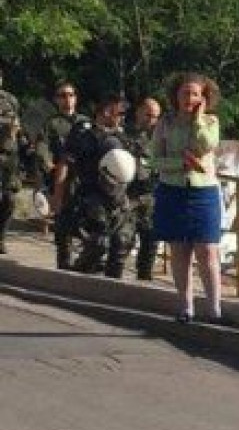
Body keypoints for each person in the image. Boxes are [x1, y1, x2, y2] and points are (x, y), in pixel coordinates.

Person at [152, 73, 223, 323]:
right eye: (185, 93)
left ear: (204, 98)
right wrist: (179, 163)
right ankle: (186, 307)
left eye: (195, 94)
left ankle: (214, 309)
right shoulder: (165, 123)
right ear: (176, 95)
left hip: (204, 192)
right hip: (172, 190)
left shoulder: (211, 122)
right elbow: (154, 160)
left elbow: (207, 146)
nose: (189, 98)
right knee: (180, 250)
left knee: (207, 250)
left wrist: (198, 120)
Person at [51, 95, 138, 277]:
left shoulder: (123, 137)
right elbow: (65, 164)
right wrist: (58, 197)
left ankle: (112, 288)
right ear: (106, 112)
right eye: (119, 113)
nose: (122, 117)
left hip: (117, 199)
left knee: (122, 242)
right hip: (89, 198)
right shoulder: (83, 134)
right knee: (97, 243)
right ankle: (77, 275)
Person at [39, 82, 90, 265]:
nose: (67, 98)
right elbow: (42, 147)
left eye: (71, 94)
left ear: (76, 98)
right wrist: (48, 163)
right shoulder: (52, 123)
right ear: (56, 99)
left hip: (84, 180)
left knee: (89, 224)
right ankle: (64, 266)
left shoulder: (86, 122)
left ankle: (86, 263)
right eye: (62, 95)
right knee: (63, 227)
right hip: (62, 179)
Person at [126, 97, 161, 280]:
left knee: (151, 239)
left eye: (156, 116)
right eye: (148, 115)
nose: (152, 120)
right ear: (138, 112)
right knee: (124, 240)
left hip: (151, 194)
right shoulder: (125, 134)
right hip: (128, 194)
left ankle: (144, 277)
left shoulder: (160, 137)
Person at [0, 70, 22, 254]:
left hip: (8, 157)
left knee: (10, 199)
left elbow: (16, 124)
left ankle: (1, 237)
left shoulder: (11, 100)